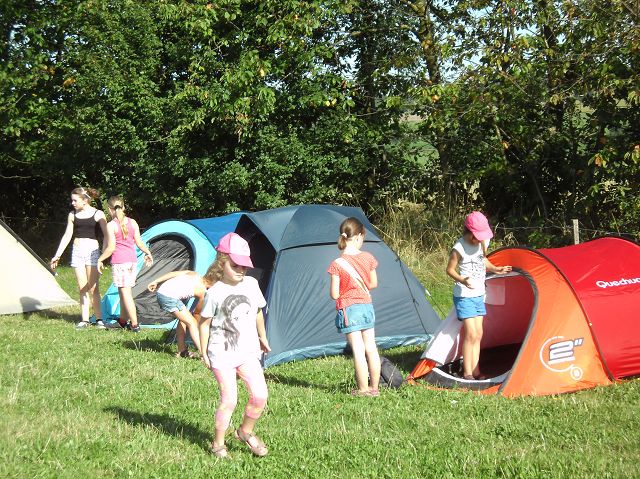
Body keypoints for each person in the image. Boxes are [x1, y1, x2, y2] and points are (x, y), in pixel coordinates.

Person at [198, 232, 271, 459]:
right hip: (222, 354)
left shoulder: (251, 284)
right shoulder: (214, 292)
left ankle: (245, 431)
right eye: (235, 265)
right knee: (229, 400)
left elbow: (257, 312)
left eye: (244, 266)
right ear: (222, 262)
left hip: (248, 351)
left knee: (260, 396)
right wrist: (203, 352)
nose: (240, 270)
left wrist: (262, 337)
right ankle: (218, 443)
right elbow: (203, 324)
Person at [446, 211, 512, 380]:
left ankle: (477, 371)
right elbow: (450, 270)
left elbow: (483, 260)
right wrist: (462, 279)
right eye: (477, 236)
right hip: (464, 296)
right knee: (470, 334)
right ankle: (467, 373)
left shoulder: (481, 243)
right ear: (469, 232)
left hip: (478, 294)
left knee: (478, 334)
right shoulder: (459, 248)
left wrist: (495, 269)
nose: (479, 240)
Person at [327, 217, 381, 397]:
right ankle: (375, 388)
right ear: (359, 236)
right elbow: (373, 284)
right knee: (371, 348)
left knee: (358, 351)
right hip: (366, 305)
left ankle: (363, 389)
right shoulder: (368, 258)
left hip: (349, 309)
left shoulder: (337, 264)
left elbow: (334, 294)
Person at [50, 187, 109, 329]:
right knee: (82, 288)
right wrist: (57, 255)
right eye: (72, 200)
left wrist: (103, 256)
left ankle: (99, 319)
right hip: (77, 252)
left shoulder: (98, 214)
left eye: (75, 200)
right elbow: (67, 235)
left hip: (93, 252)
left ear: (85, 200)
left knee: (93, 288)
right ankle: (85, 320)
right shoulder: (72, 215)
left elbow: (107, 235)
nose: (73, 203)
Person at [97, 196, 153, 333]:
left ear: (109, 209)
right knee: (123, 293)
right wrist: (148, 252)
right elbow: (139, 242)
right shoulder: (132, 222)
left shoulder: (111, 225)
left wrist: (100, 259)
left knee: (126, 294)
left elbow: (111, 248)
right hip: (132, 262)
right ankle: (122, 321)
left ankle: (134, 325)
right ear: (123, 207)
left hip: (120, 263)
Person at [147, 270, 210, 357]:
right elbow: (197, 314)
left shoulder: (194, 274)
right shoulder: (202, 291)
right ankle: (204, 355)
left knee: (183, 320)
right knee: (192, 323)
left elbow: (172, 273)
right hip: (169, 297)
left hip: (162, 291)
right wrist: (200, 327)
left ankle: (182, 351)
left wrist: (156, 281)